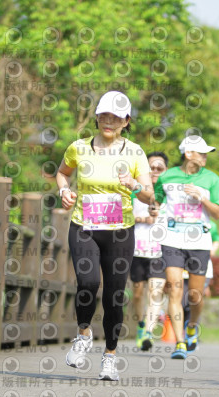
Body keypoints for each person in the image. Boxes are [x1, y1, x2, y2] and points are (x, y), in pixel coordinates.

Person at [56, 91, 154, 380]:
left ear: (126, 121)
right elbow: (62, 173)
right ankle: (84, 334)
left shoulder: (135, 152)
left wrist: (135, 184)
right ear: (97, 116)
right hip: (83, 226)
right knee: (87, 283)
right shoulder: (79, 147)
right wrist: (64, 190)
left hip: (120, 232)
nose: (108, 121)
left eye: (116, 117)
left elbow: (150, 197)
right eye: (104, 115)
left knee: (114, 295)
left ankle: (109, 356)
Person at [153, 135, 219, 359]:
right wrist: (153, 210)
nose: (205, 157)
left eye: (206, 154)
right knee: (174, 289)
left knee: (195, 295)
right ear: (188, 154)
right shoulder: (167, 176)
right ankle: (180, 343)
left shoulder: (212, 179)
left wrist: (202, 198)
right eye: (201, 153)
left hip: (199, 241)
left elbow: (218, 213)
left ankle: (192, 325)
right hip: (172, 239)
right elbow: (157, 202)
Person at [131, 152, 168, 351]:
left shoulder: (170, 192)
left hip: (159, 250)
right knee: (137, 293)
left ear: (166, 171)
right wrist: (143, 219)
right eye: (151, 167)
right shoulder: (135, 190)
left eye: (159, 168)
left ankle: (148, 332)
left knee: (155, 292)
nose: (154, 171)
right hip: (136, 249)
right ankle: (141, 325)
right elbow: (122, 213)